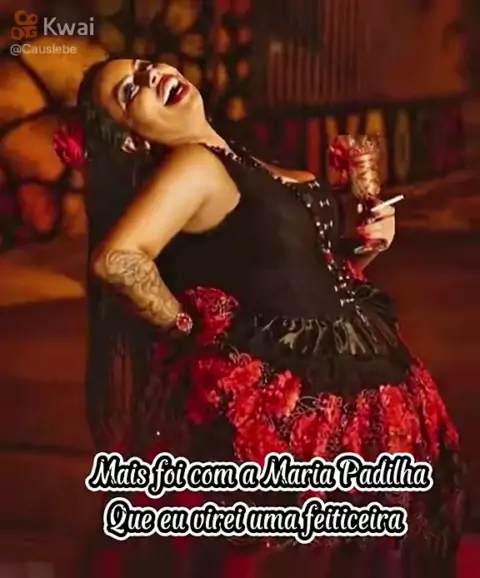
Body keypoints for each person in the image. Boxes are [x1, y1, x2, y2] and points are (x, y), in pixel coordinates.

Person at [55, 57, 465, 578]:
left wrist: (367, 247)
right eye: (131, 90)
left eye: (144, 65)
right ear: (132, 140)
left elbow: (295, 274)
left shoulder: (236, 159)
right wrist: (183, 325)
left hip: (353, 375)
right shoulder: (193, 165)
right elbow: (117, 261)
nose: (151, 74)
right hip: (293, 410)